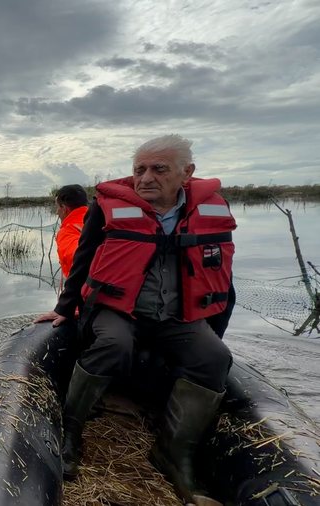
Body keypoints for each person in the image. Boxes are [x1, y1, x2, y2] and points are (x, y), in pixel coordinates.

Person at [35, 135, 236, 503]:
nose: (146, 178)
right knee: (114, 343)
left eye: (159, 169)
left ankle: (174, 453)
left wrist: (214, 330)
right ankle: (71, 433)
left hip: (176, 316)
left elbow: (221, 276)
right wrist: (64, 308)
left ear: (187, 173)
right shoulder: (106, 208)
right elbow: (82, 261)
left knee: (214, 357)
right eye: (139, 169)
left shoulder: (208, 211)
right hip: (119, 310)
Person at [54, 184, 89, 279]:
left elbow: (79, 257)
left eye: (57, 207)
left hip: (84, 286)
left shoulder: (67, 232)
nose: (56, 212)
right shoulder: (101, 221)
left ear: (64, 208)